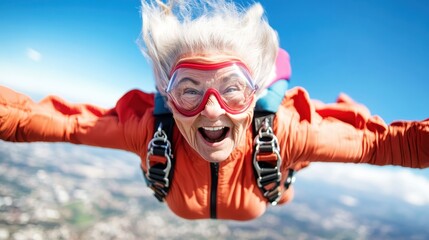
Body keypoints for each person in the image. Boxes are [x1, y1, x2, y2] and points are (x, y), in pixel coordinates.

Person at [0, 0, 428, 221]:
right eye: (189, 91)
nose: (211, 109)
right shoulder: (150, 131)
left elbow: (394, 144)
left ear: (253, 92)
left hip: (274, 170)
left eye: (232, 90)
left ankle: (317, 123)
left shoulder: (287, 133)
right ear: (167, 97)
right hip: (255, 182)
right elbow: (38, 121)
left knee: (291, 168)